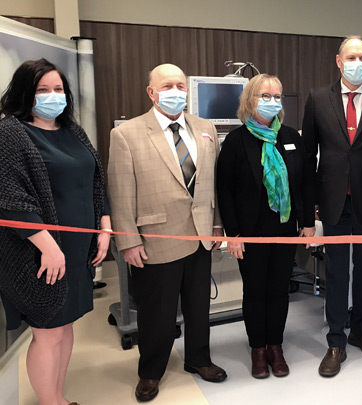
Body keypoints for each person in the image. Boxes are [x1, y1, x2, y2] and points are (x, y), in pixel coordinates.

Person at [107, 63, 226, 402]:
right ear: (151, 92)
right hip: (156, 238)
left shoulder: (205, 128)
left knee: (199, 305)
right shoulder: (127, 134)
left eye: (181, 85)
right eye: (168, 86)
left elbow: (213, 184)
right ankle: (150, 372)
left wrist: (217, 224)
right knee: (156, 312)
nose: (176, 91)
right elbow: (120, 191)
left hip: (201, 233)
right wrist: (128, 241)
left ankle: (199, 359)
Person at [0, 58, 110, 405]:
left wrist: (104, 226)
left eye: (58, 89)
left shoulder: (73, 131)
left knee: (66, 325)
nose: (53, 96)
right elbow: (9, 195)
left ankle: (59, 396)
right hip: (40, 252)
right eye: (42, 90)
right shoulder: (10, 133)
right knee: (47, 331)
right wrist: (47, 246)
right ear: (25, 94)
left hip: (78, 250)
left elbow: (95, 180)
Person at [302, 35, 362, 377]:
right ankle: (335, 340)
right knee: (336, 271)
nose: (357, 62)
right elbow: (307, 155)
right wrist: (310, 202)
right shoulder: (317, 99)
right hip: (332, 202)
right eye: (351, 56)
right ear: (338, 61)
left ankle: (360, 330)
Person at [216, 74, 315, 379]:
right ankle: (258, 348)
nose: (272, 101)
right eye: (265, 95)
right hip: (250, 232)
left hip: (285, 229)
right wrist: (232, 235)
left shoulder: (290, 137)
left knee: (279, 291)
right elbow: (225, 191)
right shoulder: (236, 141)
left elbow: (305, 182)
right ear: (250, 100)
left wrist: (308, 223)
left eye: (277, 96)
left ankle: (276, 345)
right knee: (255, 291)